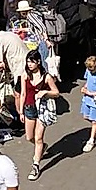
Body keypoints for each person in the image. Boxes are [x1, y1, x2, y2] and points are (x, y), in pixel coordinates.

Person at [18, 50, 59, 182]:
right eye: (28, 62)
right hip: (29, 108)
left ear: (38, 62)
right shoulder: (25, 75)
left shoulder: (46, 77)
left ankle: (36, 165)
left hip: (42, 109)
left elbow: (56, 92)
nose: (29, 64)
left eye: (32, 62)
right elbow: (23, 93)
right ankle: (41, 147)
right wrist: (20, 111)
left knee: (38, 138)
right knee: (29, 137)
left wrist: (45, 92)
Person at [79, 56, 96, 156]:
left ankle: (91, 140)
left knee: (94, 121)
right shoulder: (88, 71)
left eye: (91, 68)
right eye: (88, 68)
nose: (90, 70)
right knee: (86, 116)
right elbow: (88, 81)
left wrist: (91, 93)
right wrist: (84, 87)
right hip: (87, 100)